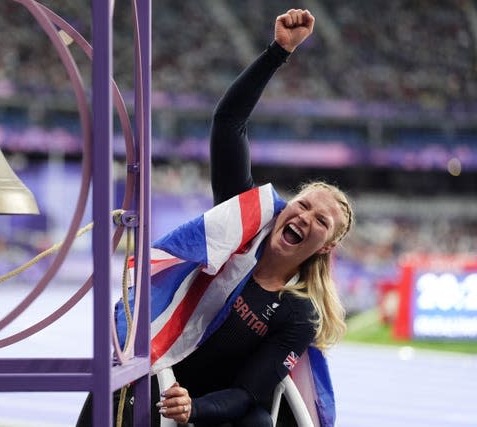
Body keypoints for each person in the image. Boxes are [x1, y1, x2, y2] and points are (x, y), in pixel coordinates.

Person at [77, 8, 353, 427]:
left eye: (322, 221)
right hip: (158, 363)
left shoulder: (299, 313)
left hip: (215, 406)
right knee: (118, 384)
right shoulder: (242, 224)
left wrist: (194, 409)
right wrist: (277, 52)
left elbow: (248, 393)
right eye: (304, 204)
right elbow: (229, 123)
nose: (306, 216)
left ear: (328, 245)